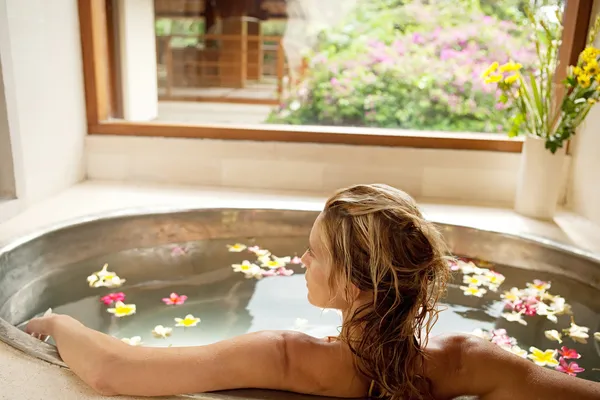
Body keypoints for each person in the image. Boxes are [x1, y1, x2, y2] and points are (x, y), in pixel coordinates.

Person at [27, 184, 600, 399]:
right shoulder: (468, 363)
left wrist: (60, 324)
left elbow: (116, 375)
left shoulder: (283, 357)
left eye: (314, 252)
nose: (301, 260)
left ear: (352, 285)